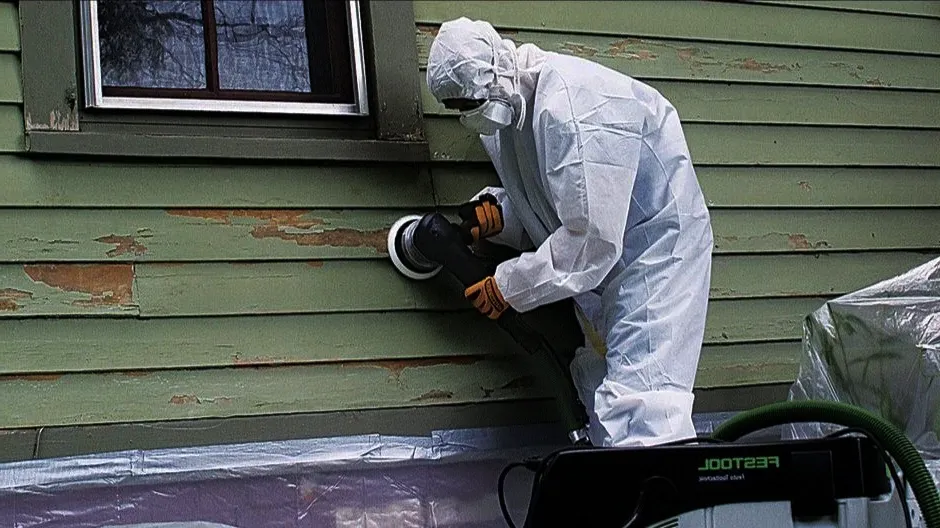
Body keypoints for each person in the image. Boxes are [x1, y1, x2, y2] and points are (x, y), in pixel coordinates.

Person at [427, 17, 713, 447]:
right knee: (598, 382)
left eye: (469, 101)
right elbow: (565, 199)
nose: (466, 115)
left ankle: (665, 507)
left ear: (496, 68)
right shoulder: (511, 112)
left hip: (654, 253)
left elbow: (590, 235)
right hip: (608, 262)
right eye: (456, 108)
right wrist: (504, 215)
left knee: (645, 405)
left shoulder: (572, 107)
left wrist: (507, 286)